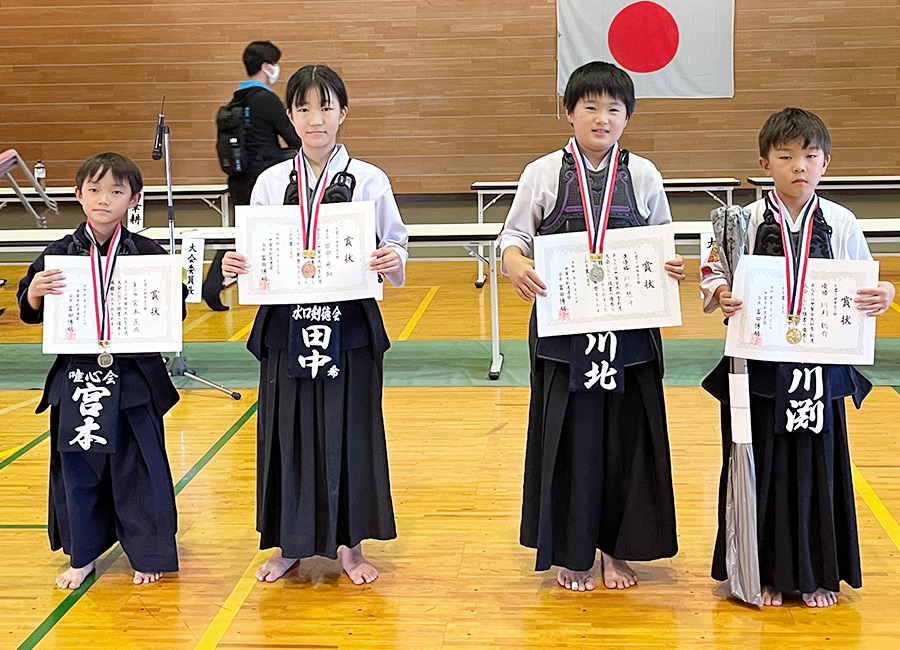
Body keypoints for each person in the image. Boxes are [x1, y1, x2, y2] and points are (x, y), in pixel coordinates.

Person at [700, 108, 896, 608]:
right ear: (764, 162)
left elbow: (867, 283)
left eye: (810, 156)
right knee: (760, 462)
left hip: (820, 365)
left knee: (818, 466)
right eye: (785, 156)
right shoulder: (737, 220)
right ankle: (760, 571)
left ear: (826, 163)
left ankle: (814, 572)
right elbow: (710, 274)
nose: (798, 166)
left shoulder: (841, 220)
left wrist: (887, 292)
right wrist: (721, 290)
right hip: (758, 365)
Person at [500, 61, 684, 592]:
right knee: (571, 442)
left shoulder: (644, 173)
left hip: (629, 337)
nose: (602, 119)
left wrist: (671, 267)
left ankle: (616, 550)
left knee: (627, 441)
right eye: (590, 107)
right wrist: (514, 262)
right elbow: (513, 238)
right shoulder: (541, 173)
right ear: (569, 112)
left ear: (627, 116)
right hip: (565, 335)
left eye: (614, 109)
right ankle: (574, 549)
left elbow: (663, 246)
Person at [223, 64, 408, 585]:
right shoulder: (270, 181)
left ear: (343, 113)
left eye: (325, 106)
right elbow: (254, 253)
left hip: (348, 327)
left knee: (351, 431)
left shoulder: (371, 180)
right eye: (303, 108)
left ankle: (350, 546)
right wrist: (237, 265)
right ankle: (290, 544)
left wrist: (392, 258)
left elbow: (395, 240)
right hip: (287, 326)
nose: (315, 118)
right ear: (290, 116)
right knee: (287, 434)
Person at [17, 152, 182, 589]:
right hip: (77, 380)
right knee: (78, 470)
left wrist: (171, 288)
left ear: (134, 199)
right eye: (93, 190)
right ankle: (83, 554)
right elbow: (29, 310)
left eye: (115, 191)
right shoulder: (58, 255)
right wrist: (33, 291)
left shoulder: (148, 253)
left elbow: (173, 312)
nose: (103, 200)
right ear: (77, 195)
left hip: (132, 381)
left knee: (138, 469)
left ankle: (146, 552)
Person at [204, 40, 302, 311]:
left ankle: (214, 285)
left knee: (242, 233)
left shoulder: (236, 99)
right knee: (270, 233)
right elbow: (293, 136)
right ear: (266, 66)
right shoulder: (266, 100)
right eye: (275, 64)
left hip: (239, 180)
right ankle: (216, 284)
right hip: (266, 180)